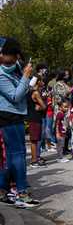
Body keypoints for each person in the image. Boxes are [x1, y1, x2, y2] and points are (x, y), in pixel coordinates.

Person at [0, 36, 40, 208]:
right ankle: (21, 193)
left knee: (10, 156)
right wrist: (25, 77)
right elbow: (15, 96)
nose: (16, 59)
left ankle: (3, 191)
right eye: (13, 56)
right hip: (8, 116)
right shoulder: (1, 75)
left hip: (15, 115)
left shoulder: (11, 68)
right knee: (18, 155)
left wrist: (24, 73)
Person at [27, 73, 47, 168]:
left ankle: (35, 159)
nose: (43, 82)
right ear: (37, 82)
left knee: (35, 140)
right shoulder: (35, 93)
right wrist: (41, 107)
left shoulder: (29, 91)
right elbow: (43, 106)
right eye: (41, 80)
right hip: (35, 118)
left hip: (33, 117)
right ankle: (34, 160)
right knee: (34, 140)